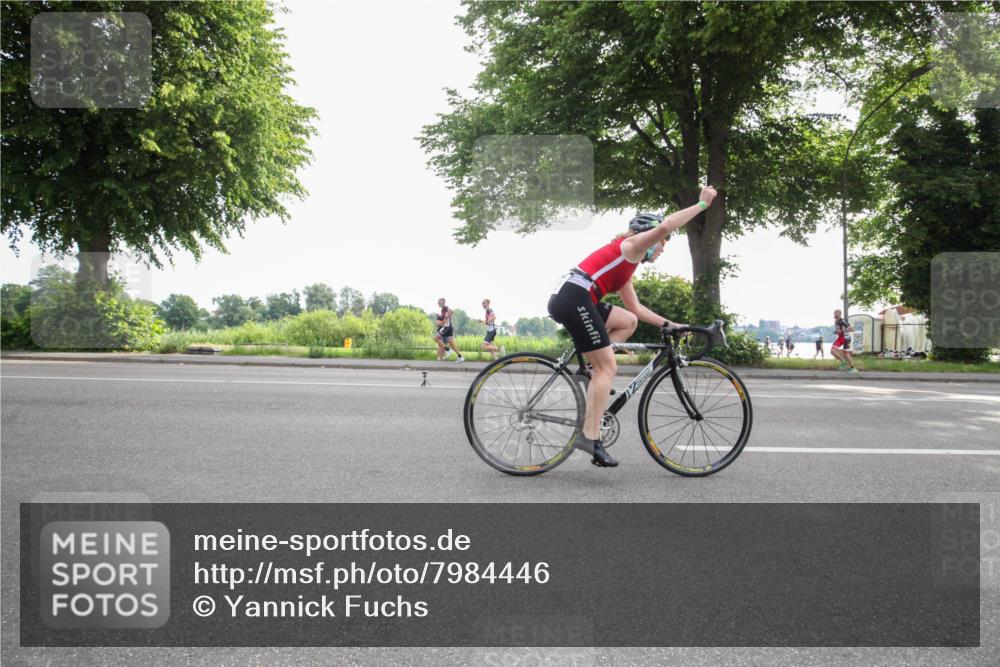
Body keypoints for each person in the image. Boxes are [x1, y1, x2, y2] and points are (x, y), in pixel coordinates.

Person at [547, 185, 718, 467]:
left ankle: (592, 371)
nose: (663, 247)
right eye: (663, 242)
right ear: (648, 237)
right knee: (608, 367)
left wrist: (673, 325)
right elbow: (666, 225)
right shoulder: (631, 247)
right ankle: (589, 437)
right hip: (573, 297)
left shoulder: (627, 262)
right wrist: (701, 206)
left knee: (628, 320)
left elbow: (636, 309)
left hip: (574, 297)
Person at [434, 298, 464, 363]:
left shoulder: (445, 307)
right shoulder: (442, 310)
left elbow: (452, 311)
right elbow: (442, 320)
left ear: (442, 302)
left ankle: (448, 350)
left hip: (447, 328)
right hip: (449, 327)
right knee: (452, 343)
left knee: (436, 338)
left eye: (438, 302)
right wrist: (441, 319)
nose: (438, 303)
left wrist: (445, 318)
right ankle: (460, 357)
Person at [830, 309, 857, 373]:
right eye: (834, 313)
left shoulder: (843, 321)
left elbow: (852, 329)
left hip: (846, 338)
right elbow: (838, 329)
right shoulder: (836, 321)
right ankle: (843, 361)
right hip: (840, 338)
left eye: (836, 313)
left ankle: (853, 368)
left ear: (839, 314)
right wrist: (836, 332)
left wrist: (842, 331)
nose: (834, 314)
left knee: (846, 354)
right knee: (832, 350)